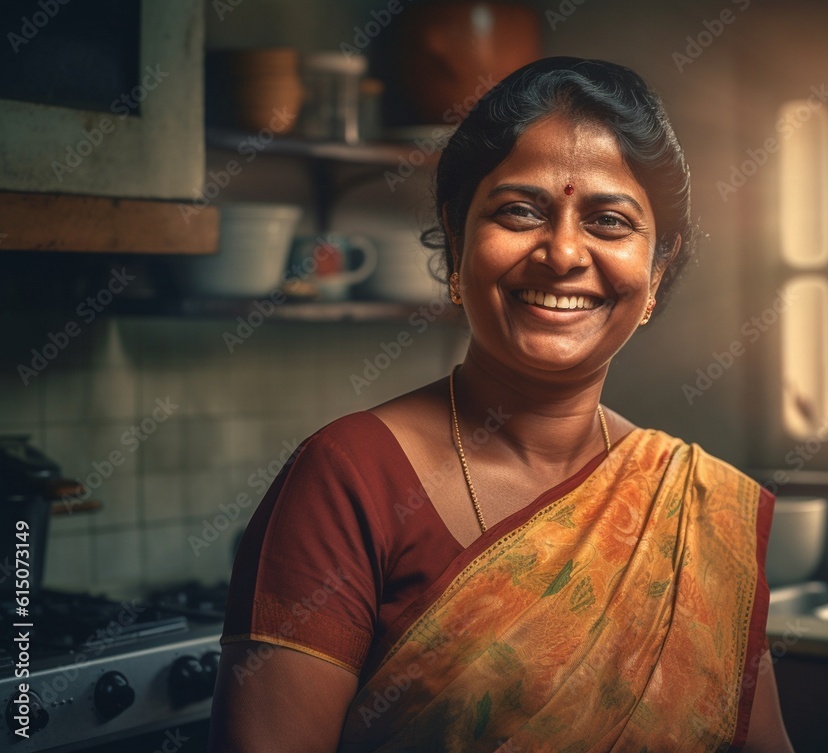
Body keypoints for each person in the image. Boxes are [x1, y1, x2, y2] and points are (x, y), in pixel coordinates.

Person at [209, 56, 794, 752]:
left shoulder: (696, 512)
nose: (563, 252)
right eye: (520, 211)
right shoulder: (348, 479)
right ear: (457, 241)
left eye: (609, 220)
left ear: (657, 271)